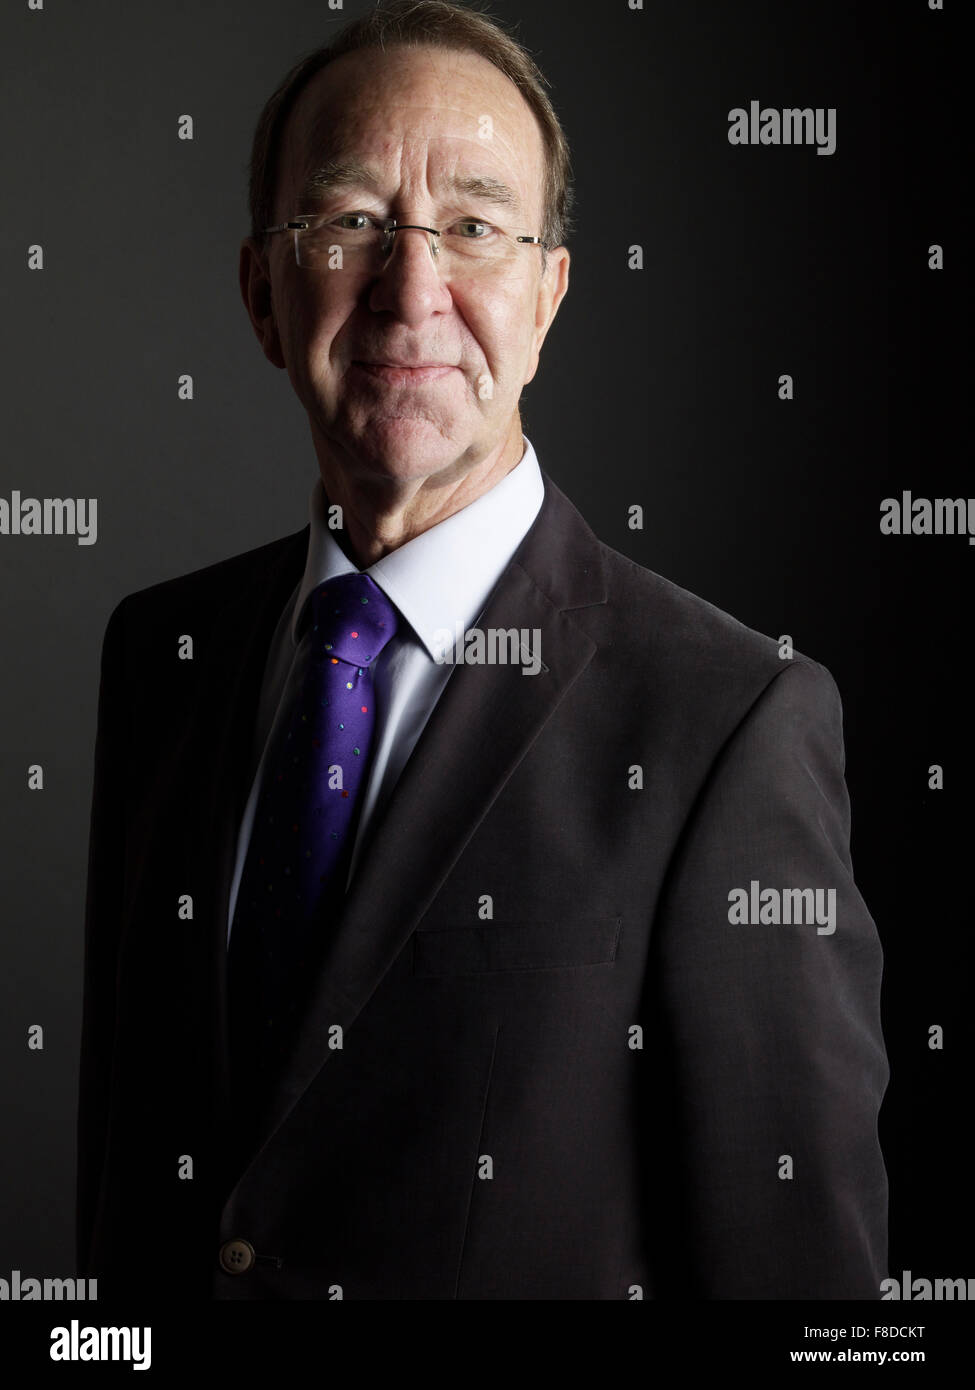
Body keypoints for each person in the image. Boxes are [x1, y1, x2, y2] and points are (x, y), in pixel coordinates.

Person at [77, 0, 889, 1301]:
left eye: (473, 227)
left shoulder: (729, 721)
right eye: (349, 221)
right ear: (262, 293)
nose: (413, 291)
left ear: (547, 292)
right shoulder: (163, 653)